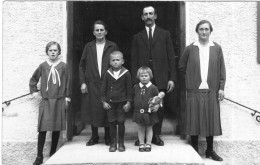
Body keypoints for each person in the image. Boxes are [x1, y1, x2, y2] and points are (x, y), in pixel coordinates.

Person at [178, 20, 226, 161]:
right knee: (194, 118)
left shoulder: (216, 48)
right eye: (201, 29)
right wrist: (190, 80)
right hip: (194, 90)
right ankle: (194, 148)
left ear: (210, 31)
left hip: (212, 90)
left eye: (206, 29)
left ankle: (210, 150)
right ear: (197, 31)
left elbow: (222, 69)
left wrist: (221, 88)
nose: (204, 32)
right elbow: (181, 67)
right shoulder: (190, 48)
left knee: (210, 119)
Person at [131, 6, 177, 146]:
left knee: (159, 106)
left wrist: (172, 78)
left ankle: (156, 135)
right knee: (142, 106)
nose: (149, 16)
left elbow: (171, 58)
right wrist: (135, 80)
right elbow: (133, 60)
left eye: (151, 14)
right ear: (142, 17)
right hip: (143, 78)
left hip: (161, 76)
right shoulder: (137, 37)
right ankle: (142, 138)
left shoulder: (165, 34)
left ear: (155, 16)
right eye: (146, 14)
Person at [30, 41, 71, 165]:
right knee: (43, 129)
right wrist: (35, 92)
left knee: (56, 128)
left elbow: (68, 82)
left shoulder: (63, 66)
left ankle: (53, 153)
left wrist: (67, 97)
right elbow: (33, 79)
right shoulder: (43, 66)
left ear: (59, 52)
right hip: (47, 101)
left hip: (59, 100)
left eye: (55, 50)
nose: (53, 52)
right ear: (47, 52)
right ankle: (39, 156)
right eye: (50, 50)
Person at [79, 20, 118, 146]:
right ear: (93, 32)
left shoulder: (112, 46)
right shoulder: (88, 46)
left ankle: (107, 136)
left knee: (107, 109)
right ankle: (94, 136)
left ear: (106, 31)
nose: (99, 32)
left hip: (108, 83)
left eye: (102, 30)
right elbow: (82, 65)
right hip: (92, 83)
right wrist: (83, 82)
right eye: (97, 30)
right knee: (93, 109)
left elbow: (118, 64)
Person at [101, 51, 132, 152]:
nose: (115, 62)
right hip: (110, 103)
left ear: (122, 61)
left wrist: (128, 102)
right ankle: (113, 143)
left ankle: (121, 143)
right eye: (113, 60)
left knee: (121, 122)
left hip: (122, 103)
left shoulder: (126, 73)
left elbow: (129, 89)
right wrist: (104, 101)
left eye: (117, 60)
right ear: (110, 62)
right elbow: (103, 88)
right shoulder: (107, 73)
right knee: (112, 123)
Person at [133, 67, 160, 152]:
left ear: (150, 76)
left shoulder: (153, 88)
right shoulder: (136, 87)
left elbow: (158, 99)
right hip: (139, 112)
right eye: (142, 76)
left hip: (149, 112)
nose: (144, 77)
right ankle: (141, 143)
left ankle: (148, 143)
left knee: (149, 127)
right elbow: (133, 97)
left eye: (146, 75)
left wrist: (157, 105)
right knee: (140, 127)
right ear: (138, 77)